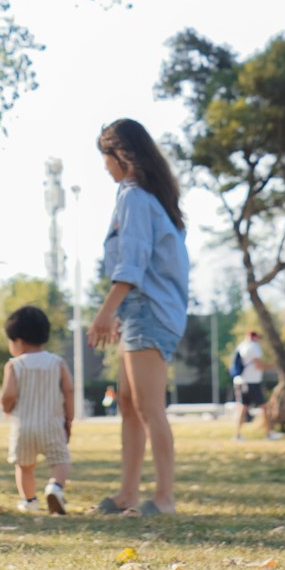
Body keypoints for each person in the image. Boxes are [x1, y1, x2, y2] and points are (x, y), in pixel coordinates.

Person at [87, 118, 189, 516]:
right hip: (139, 310)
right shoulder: (145, 198)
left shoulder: (133, 197)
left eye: (106, 157)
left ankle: (164, 498)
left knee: (148, 407)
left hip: (148, 310)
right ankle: (127, 494)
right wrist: (117, 313)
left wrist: (103, 314)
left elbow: (132, 265)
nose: (104, 167)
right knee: (129, 404)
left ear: (122, 155)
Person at [0, 304, 73, 514]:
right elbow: (68, 390)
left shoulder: (14, 365)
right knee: (60, 460)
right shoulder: (57, 363)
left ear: (18, 341)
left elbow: (9, 394)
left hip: (24, 426)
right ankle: (55, 487)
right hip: (52, 424)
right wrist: (70, 419)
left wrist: (6, 407)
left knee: (24, 466)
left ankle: (29, 500)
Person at [232, 329, 277, 438]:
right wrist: (273, 366)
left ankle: (237, 434)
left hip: (240, 381)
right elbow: (258, 365)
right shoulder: (254, 347)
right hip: (253, 382)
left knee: (242, 408)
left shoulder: (241, 346)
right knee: (264, 407)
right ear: (255, 337)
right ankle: (269, 434)